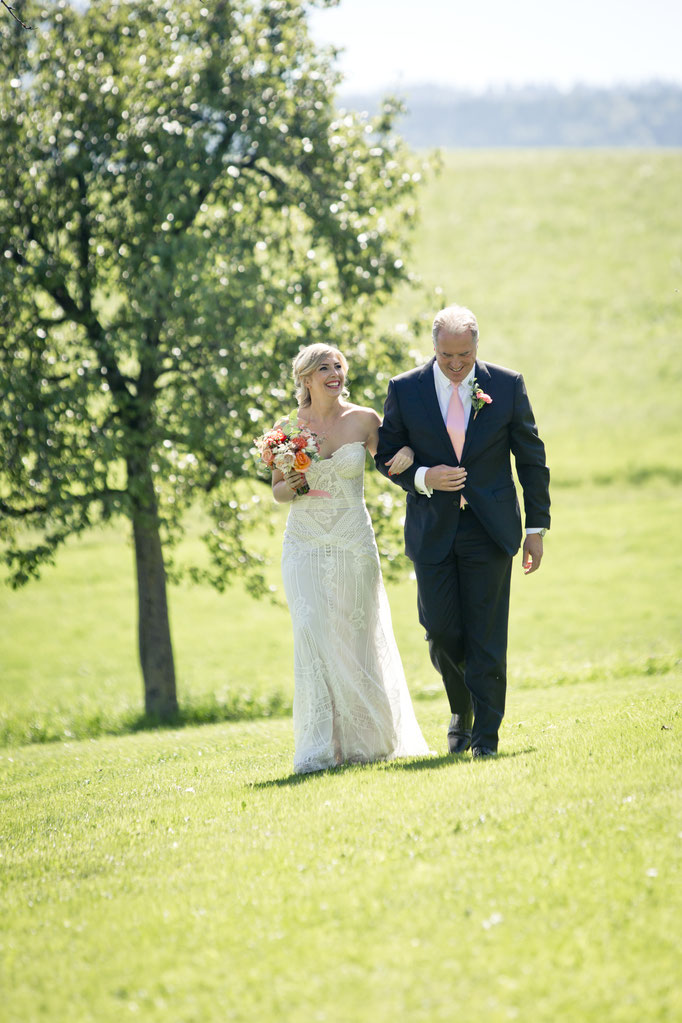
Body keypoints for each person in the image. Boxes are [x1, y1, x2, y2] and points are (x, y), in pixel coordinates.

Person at [375, 304, 550, 758]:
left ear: (477, 347)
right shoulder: (405, 388)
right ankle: (462, 708)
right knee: (440, 630)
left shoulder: (506, 386)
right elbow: (387, 453)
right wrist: (422, 478)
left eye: (465, 356)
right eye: (447, 355)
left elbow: (530, 457)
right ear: (433, 348)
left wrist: (536, 528)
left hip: (490, 530)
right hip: (432, 528)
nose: (456, 365)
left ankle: (484, 741)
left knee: (487, 636)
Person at [272, 343, 431, 774]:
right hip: (303, 542)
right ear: (306, 378)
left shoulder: (364, 419)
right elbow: (279, 492)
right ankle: (326, 744)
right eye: (324, 367)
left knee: (357, 635)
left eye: (338, 366)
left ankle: (372, 740)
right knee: (313, 633)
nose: (334, 373)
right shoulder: (287, 426)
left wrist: (410, 455)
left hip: (352, 540)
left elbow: (389, 462)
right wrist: (298, 479)